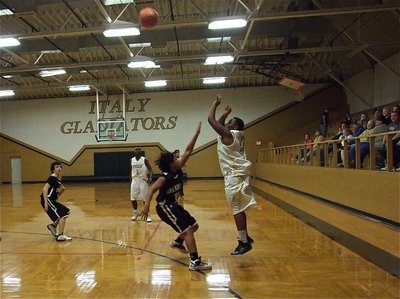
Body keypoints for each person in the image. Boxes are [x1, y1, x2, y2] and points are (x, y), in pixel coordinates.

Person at [140, 123, 212, 271]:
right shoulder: (165, 178)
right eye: (175, 158)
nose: (179, 159)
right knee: (187, 231)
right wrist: (146, 206)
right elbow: (151, 189)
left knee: (194, 226)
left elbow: (188, 150)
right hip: (164, 207)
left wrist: (196, 134)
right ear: (171, 164)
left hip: (174, 205)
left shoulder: (178, 167)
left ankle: (178, 242)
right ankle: (195, 262)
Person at [208, 94, 257, 255]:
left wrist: (215, 105)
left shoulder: (229, 135)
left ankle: (243, 242)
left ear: (234, 125)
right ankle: (246, 237)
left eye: (230, 122)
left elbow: (211, 120)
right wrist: (225, 115)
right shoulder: (236, 135)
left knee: (236, 209)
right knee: (239, 207)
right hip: (240, 173)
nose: (226, 124)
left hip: (233, 176)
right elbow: (220, 124)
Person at [40, 160, 72, 242]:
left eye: (60, 166)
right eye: (57, 167)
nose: (59, 168)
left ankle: (53, 226)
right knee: (63, 215)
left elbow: (63, 188)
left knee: (66, 211)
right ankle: (60, 235)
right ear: (53, 169)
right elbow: (45, 189)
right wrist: (46, 203)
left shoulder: (57, 179)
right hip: (47, 200)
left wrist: (57, 195)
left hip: (52, 200)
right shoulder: (52, 178)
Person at [130, 146, 153, 222]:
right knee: (133, 198)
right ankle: (135, 212)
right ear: (134, 152)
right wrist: (130, 180)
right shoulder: (131, 160)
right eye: (135, 149)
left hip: (143, 180)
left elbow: (150, 169)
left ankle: (148, 214)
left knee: (145, 199)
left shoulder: (144, 160)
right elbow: (130, 170)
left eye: (138, 149)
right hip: (134, 180)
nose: (137, 150)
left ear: (140, 151)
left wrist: (150, 178)